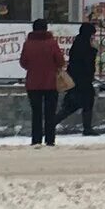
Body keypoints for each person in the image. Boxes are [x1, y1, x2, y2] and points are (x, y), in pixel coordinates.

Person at [19, 18, 65, 146]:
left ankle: (36, 139)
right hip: (50, 83)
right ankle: (50, 139)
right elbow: (60, 61)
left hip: (33, 83)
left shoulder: (28, 44)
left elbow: (23, 62)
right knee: (50, 113)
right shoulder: (52, 43)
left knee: (36, 113)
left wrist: (33, 68)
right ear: (46, 28)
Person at [55, 22, 99, 136]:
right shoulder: (83, 45)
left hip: (79, 79)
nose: (93, 37)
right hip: (81, 80)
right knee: (74, 105)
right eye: (92, 34)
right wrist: (94, 51)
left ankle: (87, 128)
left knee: (80, 104)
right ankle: (87, 128)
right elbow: (87, 62)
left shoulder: (79, 42)